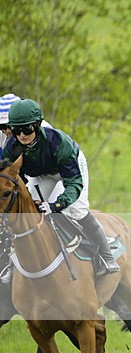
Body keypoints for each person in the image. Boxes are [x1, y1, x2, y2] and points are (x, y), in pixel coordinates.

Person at [1, 98, 120, 275]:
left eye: (27, 129)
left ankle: (107, 256)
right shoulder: (11, 147)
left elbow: (73, 183)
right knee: (27, 213)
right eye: (16, 130)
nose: (22, 135)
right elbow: (14, 179)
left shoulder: (58, 142)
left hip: (68, 169)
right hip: (42, 174)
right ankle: (13, 263)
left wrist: (56, 205)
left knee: (76, 210)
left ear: (38, 125)